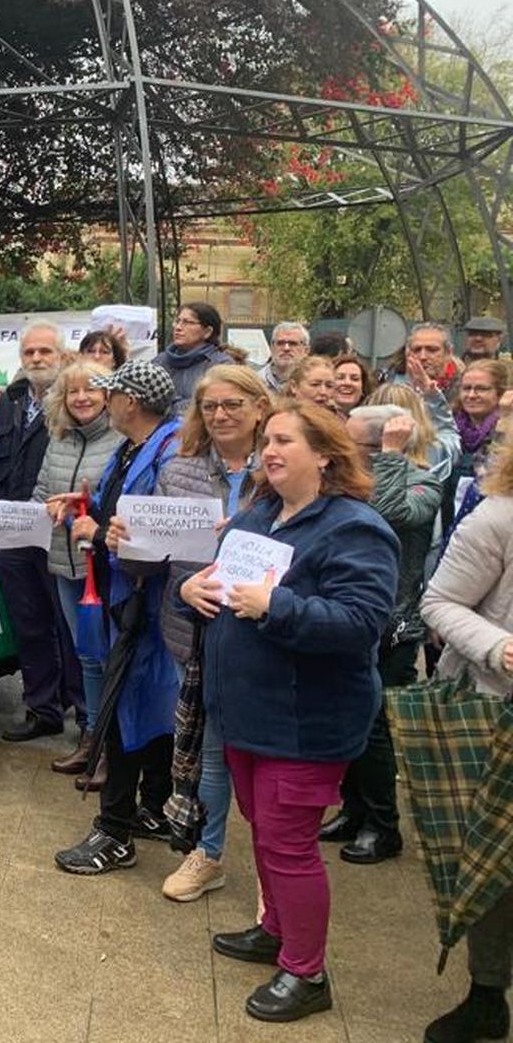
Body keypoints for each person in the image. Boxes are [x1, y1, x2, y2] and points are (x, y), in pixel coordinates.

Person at [181, 401, 397, 1024]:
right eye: (266, 442)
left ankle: (307, 972)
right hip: (247, 712)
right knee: (266, 834)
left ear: (325, 454)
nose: (268, 451)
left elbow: (362, 624)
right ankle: (275, 930)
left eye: (284, 441)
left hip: (304, 722)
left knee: (289, 846)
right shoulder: (261, 514)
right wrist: (189, 587)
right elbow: (219, 580)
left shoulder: (354, 528)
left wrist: (278, 607)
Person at [54, 359, 182, 876]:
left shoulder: (170, 454)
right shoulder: (133, 448)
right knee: (145, 706)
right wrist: (91, 509)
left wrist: (97, 527)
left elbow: (155, 532)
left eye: (112, 394)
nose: (105, 402)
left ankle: (115, 830)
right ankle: (152, 807)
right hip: (124, 596)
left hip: (144, 604)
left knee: (125, 705)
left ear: (130, 402)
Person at [151, 365, 270, 903]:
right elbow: (159, 552)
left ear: (260, 406)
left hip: (264, 634)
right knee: (214, 746)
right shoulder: (180, 471)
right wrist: (130, 538)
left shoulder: (281, 469)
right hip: (193, 630)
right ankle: (210, 852)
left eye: (233, 404)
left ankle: (280, 870)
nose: (220, 415)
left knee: (268, 761)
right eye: (210, 407)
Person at [315, 404, 440, 866]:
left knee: (376, 729)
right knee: (350, 722)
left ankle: (382, 825)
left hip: (396, 626)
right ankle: (353, 808)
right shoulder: (346, 483)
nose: (347, 453)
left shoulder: (424, 480)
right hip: (354, 621)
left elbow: (387, 514)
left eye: (356, 444)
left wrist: (389, 457)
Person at [419, 442, 513, 1043]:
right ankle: (487, 994)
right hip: (497, 710)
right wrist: (499, 646)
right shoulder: (497, 518)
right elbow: (439, 601)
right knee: (495, 868)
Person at [31, 359, 122, 787]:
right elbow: (41, 491)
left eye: (91, 390)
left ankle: (112, 747)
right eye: (73, 392)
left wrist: (89, 513)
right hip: (65, 562)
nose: (82, 398)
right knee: (86, 654)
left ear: (108, 395)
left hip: (106, 566)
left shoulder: (121, 440)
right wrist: (48, 507)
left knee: (109, 656)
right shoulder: (58, 438)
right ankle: (90, 739)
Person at [0, 322, 81, 744]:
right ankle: (41, 707)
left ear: (62, 356)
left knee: (68, 625)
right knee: (29, 623)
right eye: (30, 353)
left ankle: (84, 715)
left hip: (59, 531)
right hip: (14, 530)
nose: (37, 360)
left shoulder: (75, 402)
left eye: (45, 352)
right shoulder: (9, 401)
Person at [154, 301, 231, 412]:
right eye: (177, 321)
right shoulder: (160, 361)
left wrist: (168, 407)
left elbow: (208, 403)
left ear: (207, 332)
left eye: (187, 322)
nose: (178, 327)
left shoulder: (221, 365)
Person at [453, 358, 507, 483]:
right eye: (466, 388)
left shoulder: (507, 430)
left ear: (500, 393)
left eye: (481, 389)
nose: (471, 395)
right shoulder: (450, 427)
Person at [259, 322, 311, 393]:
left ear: (306, 351)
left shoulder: (314, 382)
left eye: (293, 343)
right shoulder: (256, 381)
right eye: (280, 343)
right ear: (271, 348)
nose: (286, 348)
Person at [331, 353, 375, 417]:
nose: (347, 382)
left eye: (355, 379)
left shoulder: (372, 419)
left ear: (363, 387)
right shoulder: (315, 420)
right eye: (340, 377)